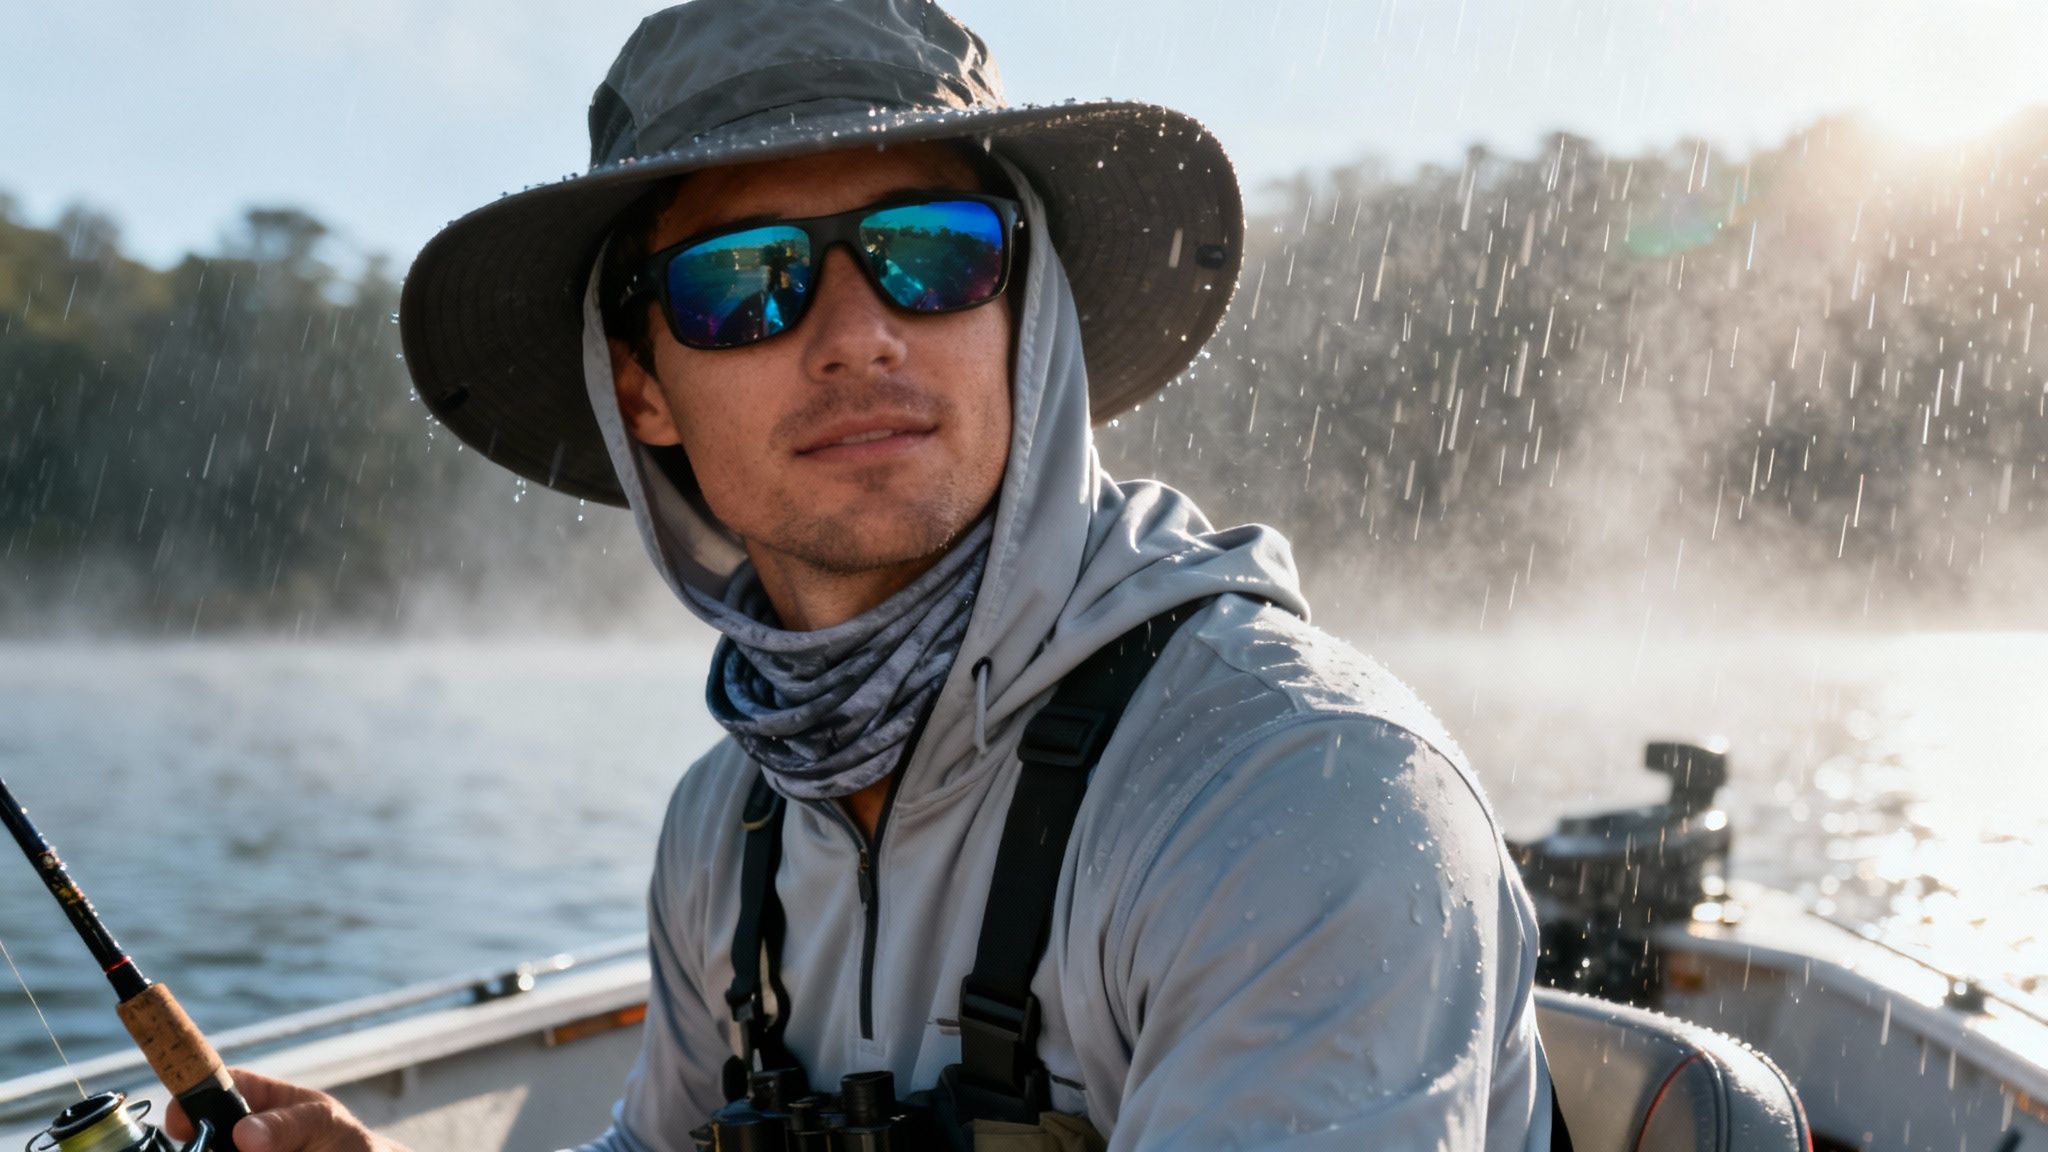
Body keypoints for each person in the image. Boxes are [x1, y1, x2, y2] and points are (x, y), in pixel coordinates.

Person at [168, 1, 1556, 1148]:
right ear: (642, 387)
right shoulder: (728, 830)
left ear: (1025, 318)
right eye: (744, 279)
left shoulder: (1295, 793)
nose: (854, 336)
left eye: (930, 257)